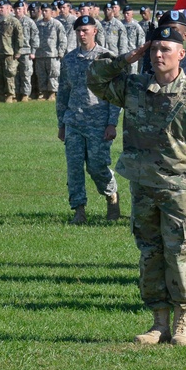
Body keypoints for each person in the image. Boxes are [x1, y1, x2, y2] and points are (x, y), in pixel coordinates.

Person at [88, 25, 186, 346]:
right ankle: (158, 323)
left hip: (181, 189)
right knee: (150, 254)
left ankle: (182, 323)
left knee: (180, 254)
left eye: (165, 49)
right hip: (144, 186)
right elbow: (95, 78)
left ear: (182, 54)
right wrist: (128, 57)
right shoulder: (135, 87)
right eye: (154, 50)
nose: (159, 55)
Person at [56, 14, 121, 224]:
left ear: (95, 31)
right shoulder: (69, 59)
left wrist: (112, 123)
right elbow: (63, 93)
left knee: (97, 166)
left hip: (99, 123)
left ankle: (111, 196)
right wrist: (61, 124)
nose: (82, 34)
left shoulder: (107, 58)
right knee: (74, 168)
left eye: (86, 30)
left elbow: (114, 94)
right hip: (74, 121)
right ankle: (79, 210)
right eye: (79, 31)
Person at [35, 3, 68, 100]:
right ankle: (44, 92)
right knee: (41, 74)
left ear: (51, 12)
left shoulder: (56, 24)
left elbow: (63, 39)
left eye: (46, 11)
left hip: (53, 54)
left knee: (53, 74)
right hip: (40, 54)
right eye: (43, 11)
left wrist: (61, 52)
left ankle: (52, 93)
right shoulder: (38, 24)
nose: (44, 13)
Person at [0, 0, 23, 102]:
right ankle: (0, 94)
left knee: (9, 75)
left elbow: (19, 38)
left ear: (8, 8)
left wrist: (17, 52)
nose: (0, 10)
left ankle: (9, 95)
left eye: (2, 8)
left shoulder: (14, 21)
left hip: (9, 53)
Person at [13, 0, 38, 101]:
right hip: (14, 52)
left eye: (20, 9)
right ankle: (17, 93)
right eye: (16, 9)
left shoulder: (29, 22)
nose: (18, 11)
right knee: (15, 74)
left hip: (26, 52)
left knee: (26, 74)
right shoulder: (12, 21)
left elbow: (35, 37)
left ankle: (25, 94)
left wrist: (33, 52)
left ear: (24, 9)